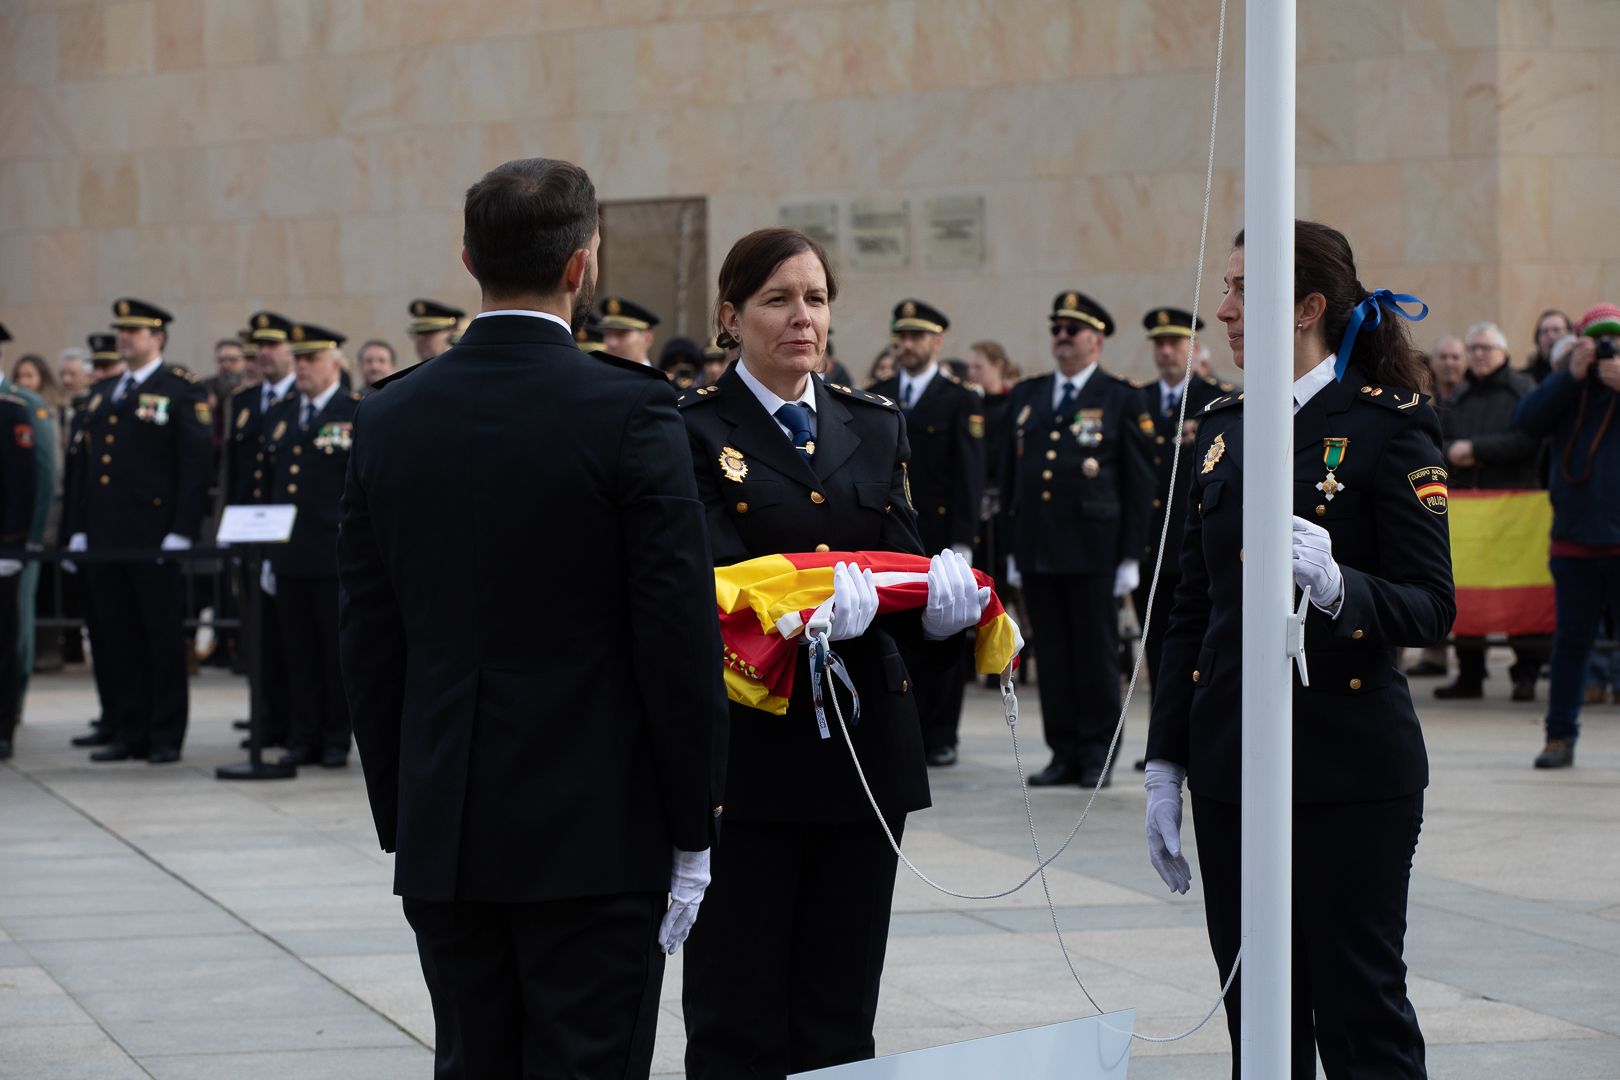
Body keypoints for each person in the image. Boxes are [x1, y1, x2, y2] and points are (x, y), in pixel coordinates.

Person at [339, 158, 726, 1079]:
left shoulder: (390, 417)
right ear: (581, 267)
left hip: (448, 822)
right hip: (596, 827)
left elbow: (369, 637)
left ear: (468, 257)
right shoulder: (631, 411)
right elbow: (676, 636)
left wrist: (406, 811)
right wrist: (694, 824)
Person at [1145, 222, 1454, 1079]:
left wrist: (1338, 587)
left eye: (1244, 289)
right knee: (1260, 1022)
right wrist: (1166, 759)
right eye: (1230, 286)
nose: (1224, 309)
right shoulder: (1227, 425)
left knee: (1361, 1014)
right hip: (1235, 766)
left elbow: (1433, 608)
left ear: (1308, 306)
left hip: (1348, 769)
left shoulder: (1388, 428)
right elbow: (1188, 610)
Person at [677, 227, 985, 1079]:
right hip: (751, 758)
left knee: (841, 1010)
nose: (801, 318)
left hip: (862, 752)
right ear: (731, 318)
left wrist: (938, 612)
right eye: (778, 299)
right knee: (737, 1013)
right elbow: (706, 586)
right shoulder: (693, 431)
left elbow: (904, 560)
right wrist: (812, 603)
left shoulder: (872, 423)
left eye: (815, 298)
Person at [1004, 290, 1153, 788]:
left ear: (1097, 340)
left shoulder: (1121, 397)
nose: (1062, 339)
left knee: (1094, 654)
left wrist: (1131, 553)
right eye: (1056, 330)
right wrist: (1011, 546)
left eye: (1072, 331)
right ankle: (1062, 750)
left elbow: (1138, 483)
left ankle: (1097, 753)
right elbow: (1012, 479)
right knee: (1053, 655)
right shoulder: (1028, 396)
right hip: (1040, 547)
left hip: (1095, 550)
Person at [65, 299, 212, 765]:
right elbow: (87, 467)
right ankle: (130, 729)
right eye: (122, 331)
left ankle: (165, 734)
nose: (125, 338)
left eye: (135, 331)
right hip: (107, 537)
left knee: (160, 637)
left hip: (154, 536)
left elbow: (195, 463)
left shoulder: (179, 388)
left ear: (158, 338)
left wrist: (183, 530)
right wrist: (79, 530)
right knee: (117, 635)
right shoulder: (107, 392)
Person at [869, 300, 985, 767]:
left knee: (944, 631)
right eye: (903, 336)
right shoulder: (876, 394)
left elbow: (969, 474)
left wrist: (963, 538)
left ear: (937, 342)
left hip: (938, 533)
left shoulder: (959, 397)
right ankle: (908, 725)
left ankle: (942, 732)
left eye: (918, 337)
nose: (908, 345)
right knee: (897, 635)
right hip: (893, 536)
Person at [1513, 302, 1620, 769]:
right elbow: (1526, 421)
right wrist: (1568, 377)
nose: (1605, 350)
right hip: (1573, 541)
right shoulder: (1567, 388)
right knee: (1570, 646)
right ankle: (1559, 738)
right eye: (1596, 341)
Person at [262, 323, 361, 769]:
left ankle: (336, 738)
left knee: (334, 656)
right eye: (297, 359)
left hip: (333, 556)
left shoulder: (355, 411)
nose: (301, 367)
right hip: (288, 554)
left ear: (335, 363)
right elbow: (268, 486)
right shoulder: (281, 415)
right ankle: (302, 737)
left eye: (311, 359)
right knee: (296, 655)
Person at [1435, 321, 1544, 701]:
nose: (1478, 355)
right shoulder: (1460, 395)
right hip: (1468, 513)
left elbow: (1529, 441)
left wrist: (1476, 449)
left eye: (1486, 348)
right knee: (1466, 591)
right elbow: (1441, 439)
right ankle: (1469, 674)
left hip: (1513, 510)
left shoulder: (1522, 391)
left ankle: (1525, 674)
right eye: (1474, 348)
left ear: (1503, 353)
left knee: (1518, 593)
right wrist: (1452, 451)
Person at [1134, 307, 1224, 712]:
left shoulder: (1218, 399)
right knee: (1156, 648)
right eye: (1160, 343)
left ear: (1194, 347)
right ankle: (1162, 735)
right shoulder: (1139, 400)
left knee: (1201, 647)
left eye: (1175, 342)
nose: (1167, 351)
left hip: (1197, 547)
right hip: (1150, 547)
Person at [220, 311, 297, 747]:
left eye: (273, 345)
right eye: (259, 347)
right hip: (249, 534)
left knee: (289, 636)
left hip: (286, 537)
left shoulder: (296, 402)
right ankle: (265, 715)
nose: (264, 354)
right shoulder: (246, 402)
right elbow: (236, 470)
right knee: (256, 636)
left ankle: (290, 718)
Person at [0, 379, 38, 761]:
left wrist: (12, 542)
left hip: (1, 546)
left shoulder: (10, 410)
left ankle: (2, 727)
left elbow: (22, 482)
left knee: (1, 643)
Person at [597, 297, 659, 364]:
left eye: (622, 334)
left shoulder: (659, 375)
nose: (612, 343)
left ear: (647, 338)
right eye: (608, 334)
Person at [1524, 308, 1573, 383]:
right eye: (1545, 331)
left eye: (1556, 330)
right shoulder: (1525, 379)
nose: (1550, 336)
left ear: (1569, 336)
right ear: (1538, 340)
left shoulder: (1578, 373)